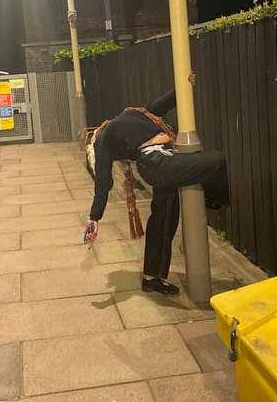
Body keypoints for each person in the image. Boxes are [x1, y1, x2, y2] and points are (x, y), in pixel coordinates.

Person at [83, 74, 229, 295]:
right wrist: (94, 218)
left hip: (162, 161)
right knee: (216, 160)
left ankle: (151, 277)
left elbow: (167, 101)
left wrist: (186, 84)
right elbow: (103, 182)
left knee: (164, 220)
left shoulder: (138, 114)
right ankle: (213, 200)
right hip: (157, 163)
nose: (95, 132)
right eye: (93, 136)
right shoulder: (106, 138)